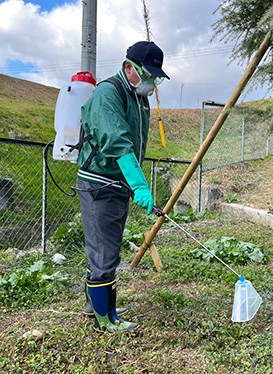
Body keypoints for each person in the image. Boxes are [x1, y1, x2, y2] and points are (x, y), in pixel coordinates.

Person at [76, 41, 170, 332]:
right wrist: (140, 185)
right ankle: (104, 319)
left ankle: (103, 305)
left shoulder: (138, 98)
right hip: (99, 185)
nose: (152, 82)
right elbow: (119, 144)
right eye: (148, 75)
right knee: (104, 254)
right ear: (129, 66)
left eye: (156, 77)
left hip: (117, 184)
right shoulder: (108, 93)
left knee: (107, 251)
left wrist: (131, 186)